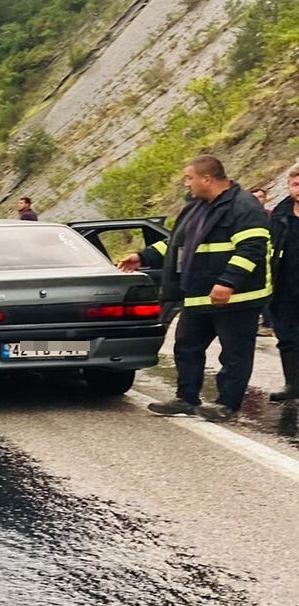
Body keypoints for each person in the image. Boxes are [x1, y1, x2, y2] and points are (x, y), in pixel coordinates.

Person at [117, 155, 271, 422]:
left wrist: (227, 283)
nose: (186, 183)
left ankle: (227, 405)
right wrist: (143, 257)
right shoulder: (195, 208)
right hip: (198, 294)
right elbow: (176, 244)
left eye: (189, 178)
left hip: (236, 298)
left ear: (207, 178)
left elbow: (252, 249)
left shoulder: (244, 207)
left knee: (234, 354)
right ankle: (186, 399)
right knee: (186, 347)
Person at [266, 168, 299, 400]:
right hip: (284, 287)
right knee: (287, 338)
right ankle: (293, 386)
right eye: (296, 184)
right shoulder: (279, 215)